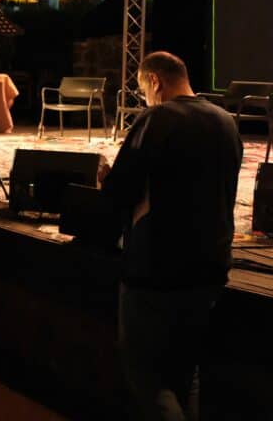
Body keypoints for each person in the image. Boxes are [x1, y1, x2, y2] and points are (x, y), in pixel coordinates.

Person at [99, 51, 242, 421]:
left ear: (154, 81)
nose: (146, 98)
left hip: (157, 269)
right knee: (184, 373)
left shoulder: (157, 118)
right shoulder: (226, 122)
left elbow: (121, 191)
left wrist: (105, 179)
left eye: (143, 89)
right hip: (211, 268)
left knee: (146, 375)